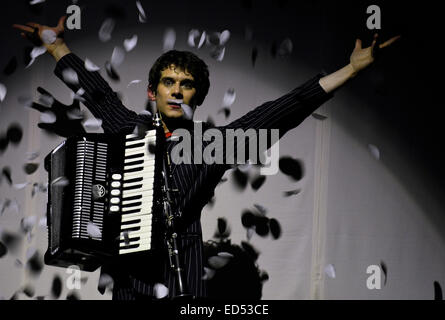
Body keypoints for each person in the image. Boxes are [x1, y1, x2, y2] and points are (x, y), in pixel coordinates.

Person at [13, 16, 399, 300]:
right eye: (169, 82)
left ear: (198, 95)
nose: (177, 91)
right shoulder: (129, 127)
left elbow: (284, 110)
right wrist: (56, 46)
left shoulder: (212, 144)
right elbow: (95, 93)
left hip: (185, 284)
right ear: (153, 92)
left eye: (187, 84)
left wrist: (350, 69)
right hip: (128, 283)